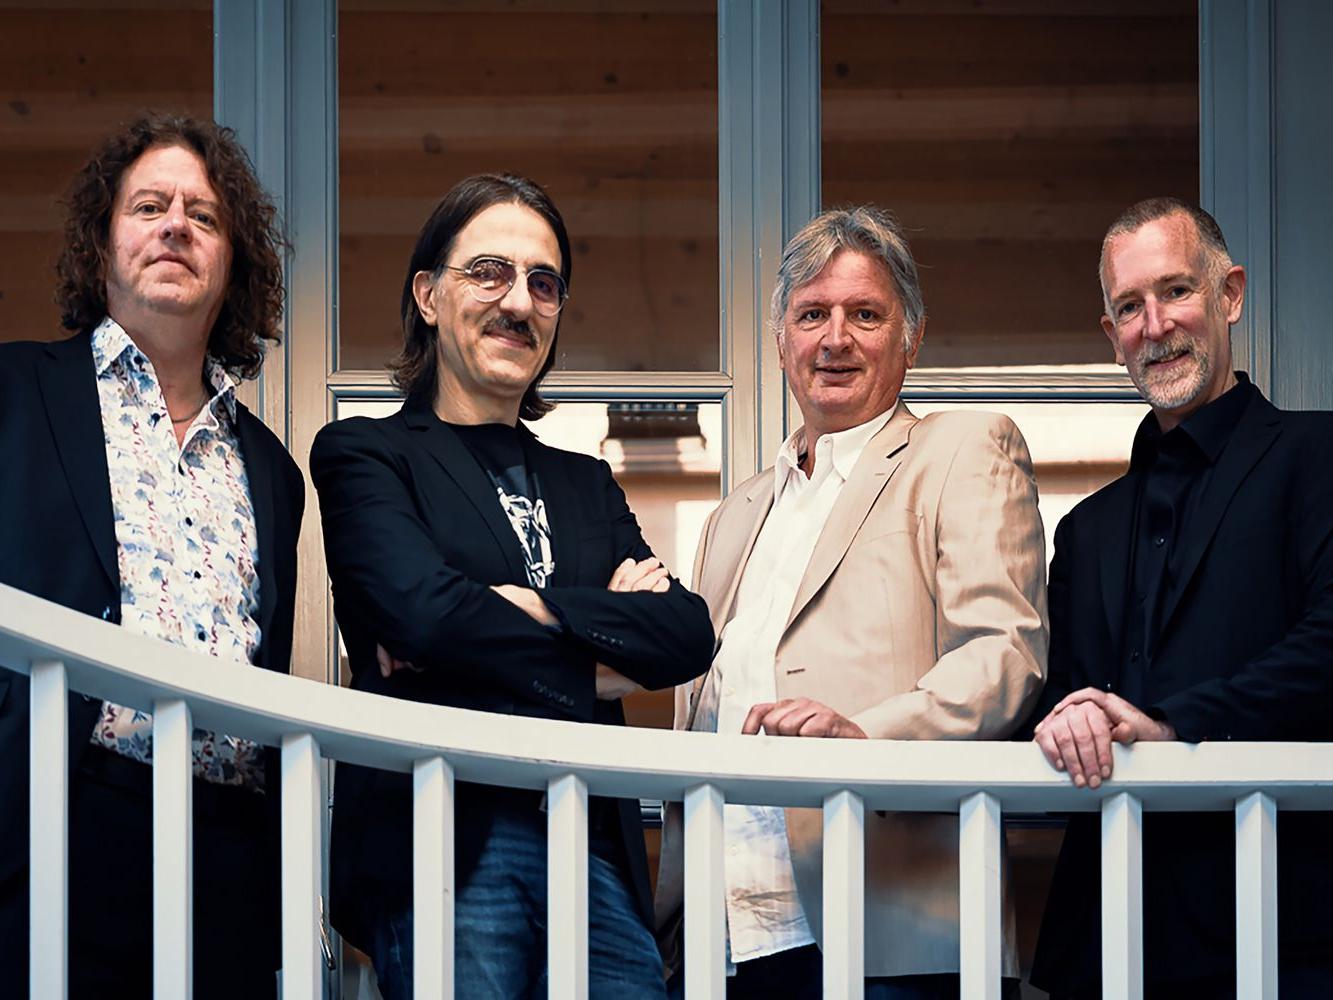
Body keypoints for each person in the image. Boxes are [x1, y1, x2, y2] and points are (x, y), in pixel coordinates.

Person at [310, 172, 715, 1000]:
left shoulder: (585, 482)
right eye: (489, 272)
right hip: (444, 844)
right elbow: (424, 618)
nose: (519, 302)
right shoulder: (366, 455)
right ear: (428, 296)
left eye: (543, 282)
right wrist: (602, 643)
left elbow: (683, 633)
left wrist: (518, 608)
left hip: (596, 855)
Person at [654, 205, 1048, 999]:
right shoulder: (733, 515)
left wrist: (863, 736)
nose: (835, 339)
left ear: (911, 336)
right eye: (811, 316)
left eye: (865, 314)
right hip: (722, 934)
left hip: (894, 928)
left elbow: (1002, 654)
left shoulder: (961, 450)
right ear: (780, 342)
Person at [0, 113, 303, 998]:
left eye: (203, 216)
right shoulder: (13, 393)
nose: (176, 226)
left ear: (232, 265)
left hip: (229, 855)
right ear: (102, 247)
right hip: (53, 817)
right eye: (149, 207)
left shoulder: (273, 470)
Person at [1028, 197, 1333, 998]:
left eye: (1175, 291)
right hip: (1104, 938)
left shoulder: (1319, 456)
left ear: (1228, 295)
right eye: (1129, 307)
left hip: (1283, 928)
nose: (1154, 326)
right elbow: (1058, 699)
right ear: (1111, 336)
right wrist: (1067, 718)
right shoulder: (1084, 531)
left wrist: (1170, 724)